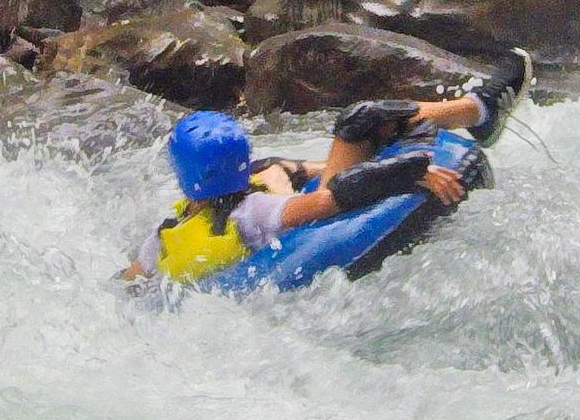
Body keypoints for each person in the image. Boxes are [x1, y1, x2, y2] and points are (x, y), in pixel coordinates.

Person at [121, 49, 533, 284]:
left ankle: (479, 111)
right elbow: (330, 200)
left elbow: (131, 279)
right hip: (307, 227)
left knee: (344, 135)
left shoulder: (169, 233)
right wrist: (408, 171)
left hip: (273, 211)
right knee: (360, 120)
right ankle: (478, 109)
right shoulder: (255, 212)